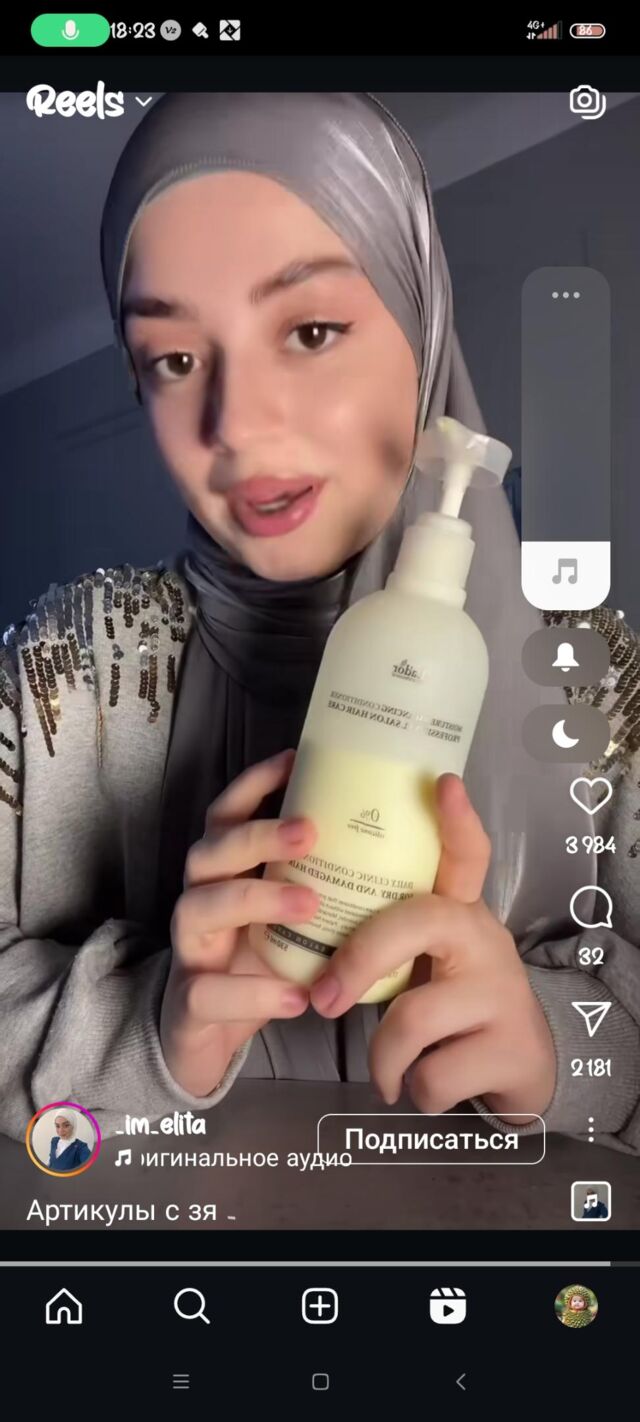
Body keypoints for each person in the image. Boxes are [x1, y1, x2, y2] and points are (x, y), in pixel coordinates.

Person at [0, 93, 638, 1152]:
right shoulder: (65, 676)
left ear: (421, 325)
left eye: (309, 331)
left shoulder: (594, 684)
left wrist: (561, 1059)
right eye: (173, 359)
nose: (239, 426)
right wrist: (146, 1032)